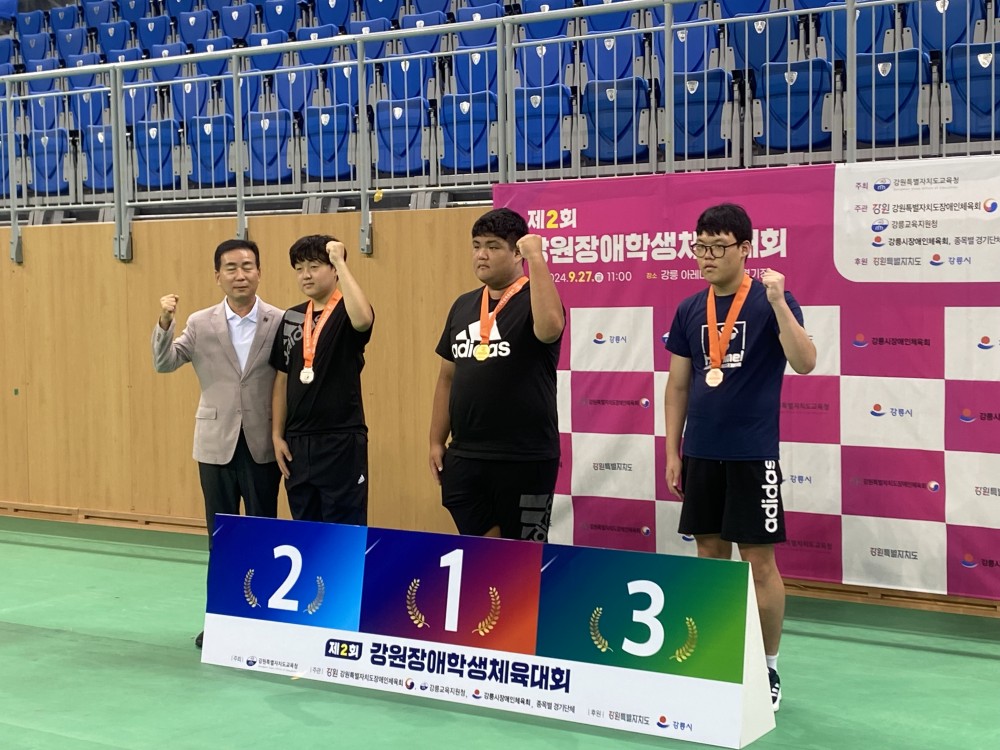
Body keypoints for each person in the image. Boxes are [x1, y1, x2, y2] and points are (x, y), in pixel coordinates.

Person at [663, 203, 816, 712]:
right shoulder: (690, 308)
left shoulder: (775, 299)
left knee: (759, 564)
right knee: (710, 558)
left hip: (752, 455)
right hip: (701, 453)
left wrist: (778, 303)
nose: (706, 256)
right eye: (700, 246)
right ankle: (716, 659)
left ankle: (768, 668)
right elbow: (678, 386)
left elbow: (805, 362)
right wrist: (673, 450)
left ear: (745, 248)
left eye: (718, 247)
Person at [152, 238, 284, 650]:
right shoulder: (200, 322)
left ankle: (263, 620)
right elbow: (164, 363)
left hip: (263, 443)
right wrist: (164, 322)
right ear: (217, 276)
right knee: (221, 537)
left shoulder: (281, 321)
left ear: (259, 272)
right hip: (214, 445)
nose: (240, 275)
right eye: (231, 268)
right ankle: (221, 621)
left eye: (247, 266)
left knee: (263, 534)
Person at [429, 208, 565, 542]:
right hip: (466, 455)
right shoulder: (463, 305)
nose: (481, 255)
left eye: (493, 246)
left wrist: (537, 258)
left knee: (524, 553)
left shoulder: (536, 299)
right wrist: (435, 440)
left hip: (526, 457)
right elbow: (447, 377)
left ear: (517, 253)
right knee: (485, 551)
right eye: (477, 246)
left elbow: (550, 328)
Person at [270, 235, 374, 525]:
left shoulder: (348, 311)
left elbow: (363, 320)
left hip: (340, 439)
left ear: (334, 271)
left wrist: (340, 259)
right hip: (297, 443)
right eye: (299, 268)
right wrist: (277, 435)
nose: (306, 275)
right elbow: (281, 379)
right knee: (305, 529)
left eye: (314, 267)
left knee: (342, 531)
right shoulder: (291, 317)